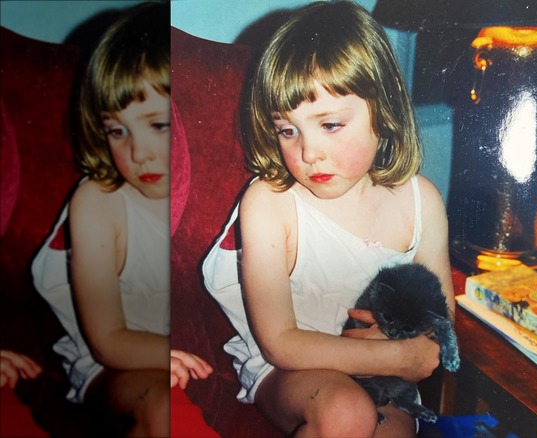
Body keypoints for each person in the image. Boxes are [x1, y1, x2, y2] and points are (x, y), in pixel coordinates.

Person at [203, 1, 455, 436]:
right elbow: (281, 342)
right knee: (345, 411)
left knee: (395, 431)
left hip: (384, 380)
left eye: (331, 125)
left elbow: (440, 320)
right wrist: (396, 356)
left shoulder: (422, 202)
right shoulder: (269, 202)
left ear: (384, 109)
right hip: (288, 371)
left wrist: (412, 352)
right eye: (288, 130)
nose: (308, 151)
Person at [30, 4, 210, 436]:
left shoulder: (208, 187)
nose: (138, 152)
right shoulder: (97, 200)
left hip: (188, 354)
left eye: (158, 125)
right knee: (163, 410)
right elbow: (108, 339)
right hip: (108, 364)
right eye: (117, 130)